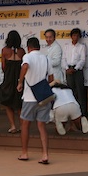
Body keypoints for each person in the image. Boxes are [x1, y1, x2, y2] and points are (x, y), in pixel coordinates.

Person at [16, 36, 54, 164]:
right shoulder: (46, 58)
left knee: (25, 124)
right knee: (41, 126)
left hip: (29, 97)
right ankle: (45, 154)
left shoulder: (27, 56)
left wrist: (20, 82)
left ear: (29, 47)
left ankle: (24, 152)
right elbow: (51, 78)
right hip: (44, 97)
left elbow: (25, 66)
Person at [0, 30, 25, 133]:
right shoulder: (22, 51)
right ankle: (22, 126)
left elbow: (3, 67)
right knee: (19, 104)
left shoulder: (4, 50)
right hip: (19, 80)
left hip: (8, 80)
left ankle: (13, 126)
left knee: (8, 103)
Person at [62, 27, 88, 117]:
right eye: (74, 35)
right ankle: (72, 112)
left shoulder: (82, 47)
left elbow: (82, 60)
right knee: (70, 91)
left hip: (77, 70)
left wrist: (75, 68)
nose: (75, 37)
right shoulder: (66, 46)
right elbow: (63, 59)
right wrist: (67, 68)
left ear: (79, 37)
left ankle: (82, 112)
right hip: (68, 69)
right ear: (71, 36)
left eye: (77, 36)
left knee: (80, 91)